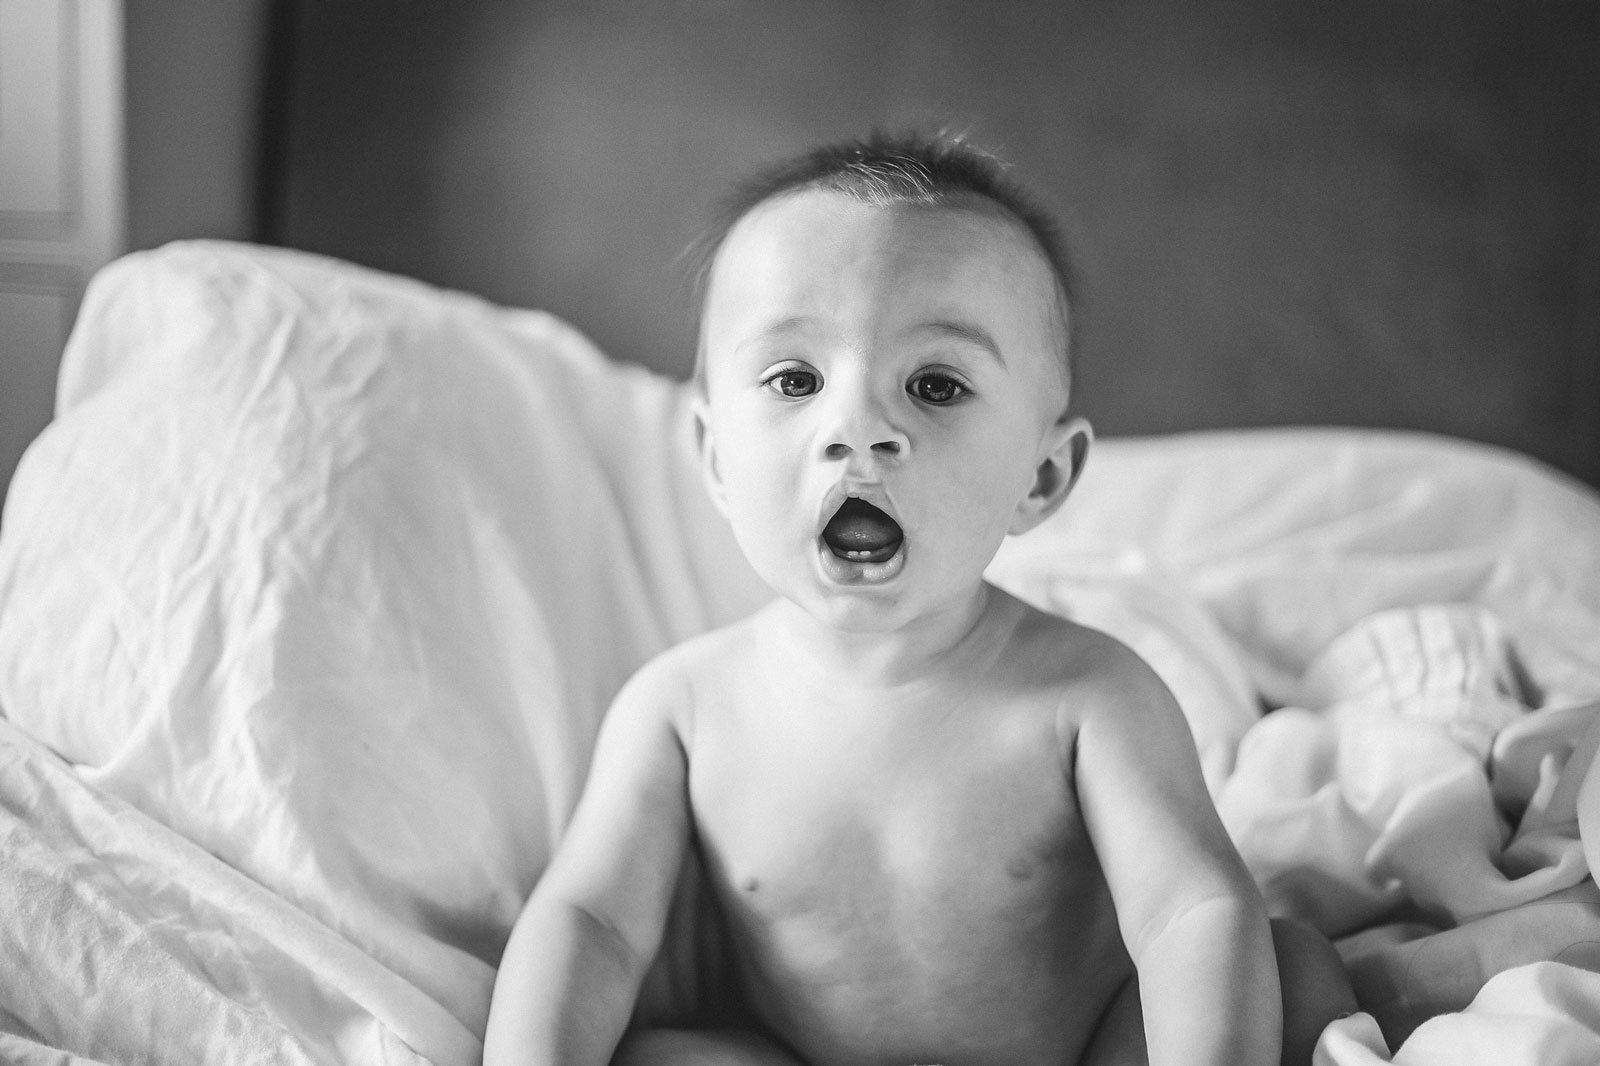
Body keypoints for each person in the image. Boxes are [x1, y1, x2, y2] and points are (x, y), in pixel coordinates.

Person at [484, 131, 1355, 1066]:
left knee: (1286, 966)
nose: (857, 428)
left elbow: (1191, 910)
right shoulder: (684, 708)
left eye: (935, 385)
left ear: (1043, 476)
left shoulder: (1090, 694)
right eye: (794, 379)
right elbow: (592, 924)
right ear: (714, 460)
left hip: (1083, 1051)